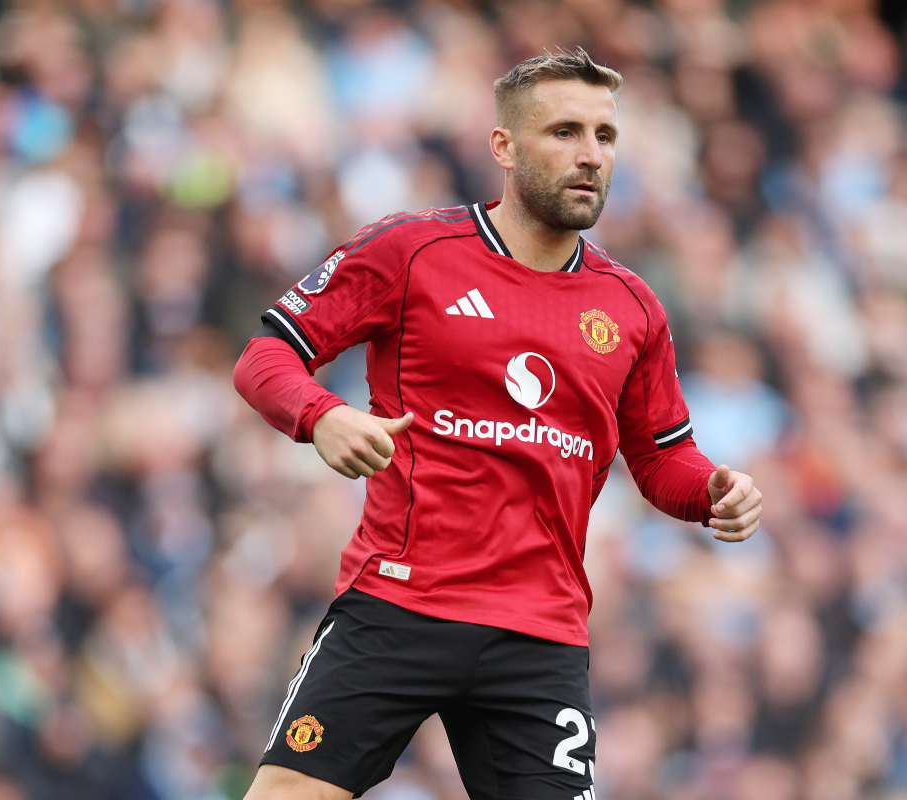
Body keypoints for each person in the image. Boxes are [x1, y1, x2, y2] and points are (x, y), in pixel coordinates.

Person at [233, 48, 762, 800]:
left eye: (605, 137)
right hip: (399, 605)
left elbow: (661, 459)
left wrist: (714, 490)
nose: (590, 155)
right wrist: (324, 416)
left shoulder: (633, 306)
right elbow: (264, 358)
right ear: (504, 147)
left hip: (539, 634)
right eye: (565, 132)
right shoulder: (413, 252)